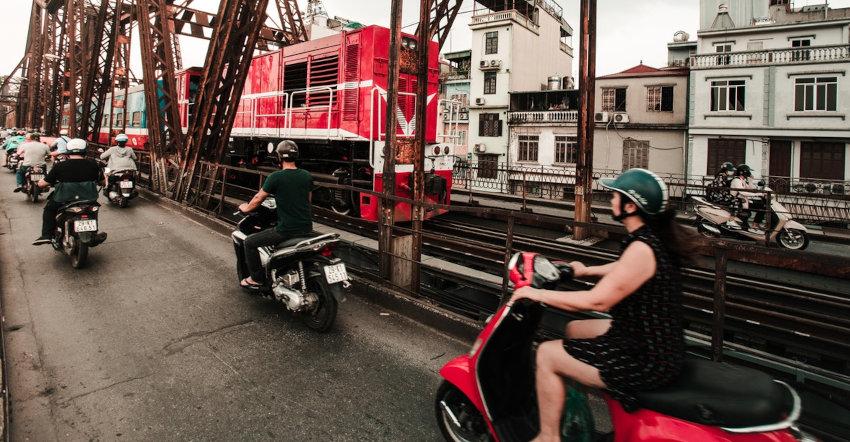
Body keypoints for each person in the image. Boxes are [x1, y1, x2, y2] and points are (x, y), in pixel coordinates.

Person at [509, 168, 687, 442]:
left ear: (630, 206)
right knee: (576, 329)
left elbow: (598, 301)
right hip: (649, 339)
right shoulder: (651, 239)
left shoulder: (642, 249)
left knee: (546, 354)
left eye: (615, 195)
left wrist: (536, 295)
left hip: (644, 358)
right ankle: (572, 409)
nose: (610, 198)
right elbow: (623, 268)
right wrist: (585, 270)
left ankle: (548, 436)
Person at [237, 140, 313, 288]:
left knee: (249, 242)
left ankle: (256, 278)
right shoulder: (306, 175)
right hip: (306, 228)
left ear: (279, 157)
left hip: (286, 230)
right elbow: (308, 201)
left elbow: (258, 198)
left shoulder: (275, 177)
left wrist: (245, 208)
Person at [33, 138, 106, 246]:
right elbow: (102, 182)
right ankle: (93, 234)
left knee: (49, 210)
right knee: (92, 211)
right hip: (88, 198)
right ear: (85, 151)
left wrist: (39, 183)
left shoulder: (59, 166)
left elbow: (43, 183)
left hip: (64, 198)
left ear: (68, 152)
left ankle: (46, 235)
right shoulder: (93, 164)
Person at [730, 164, 765, 230]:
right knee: (759, 207)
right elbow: (742, 192)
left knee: (762, 206)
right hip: (737, 202)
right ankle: (745, 225)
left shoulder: (742, 180)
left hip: (744, 201)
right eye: (748, 171)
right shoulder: (736, 180)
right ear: (743, 172)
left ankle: (755, 224)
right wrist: (757, 194)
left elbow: (750, 188)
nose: (750, 173)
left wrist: (751, 180)